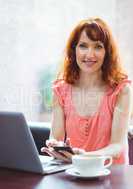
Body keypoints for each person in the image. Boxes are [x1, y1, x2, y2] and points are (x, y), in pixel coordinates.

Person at [41, 17, 133, 164]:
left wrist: (83, 157)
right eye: (83, 46)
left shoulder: (122, 90)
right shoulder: (60, 90)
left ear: (107, 52)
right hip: (75, 173)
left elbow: (117, 147)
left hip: (112, 177)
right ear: (74, 50)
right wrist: (55, 145)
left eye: (98, 46)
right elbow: (56, 137)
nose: (90, 55)